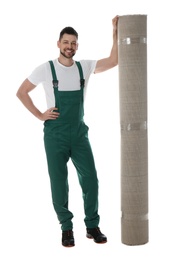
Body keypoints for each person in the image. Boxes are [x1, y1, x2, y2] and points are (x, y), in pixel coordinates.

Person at [16, 15, 119, 247]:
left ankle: (92, 226)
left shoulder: (85, 67)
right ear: (58, 43)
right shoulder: (46, 69)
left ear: (77, 46)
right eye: (66, 42)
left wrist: (114, 31)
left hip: (80, 133)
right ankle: (66, 228)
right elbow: (21, 92)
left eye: (73, 43)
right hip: (55, 135)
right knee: (59, 183)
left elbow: (114, 60)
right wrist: (40, 115)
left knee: (91, 180)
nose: (69, 47)